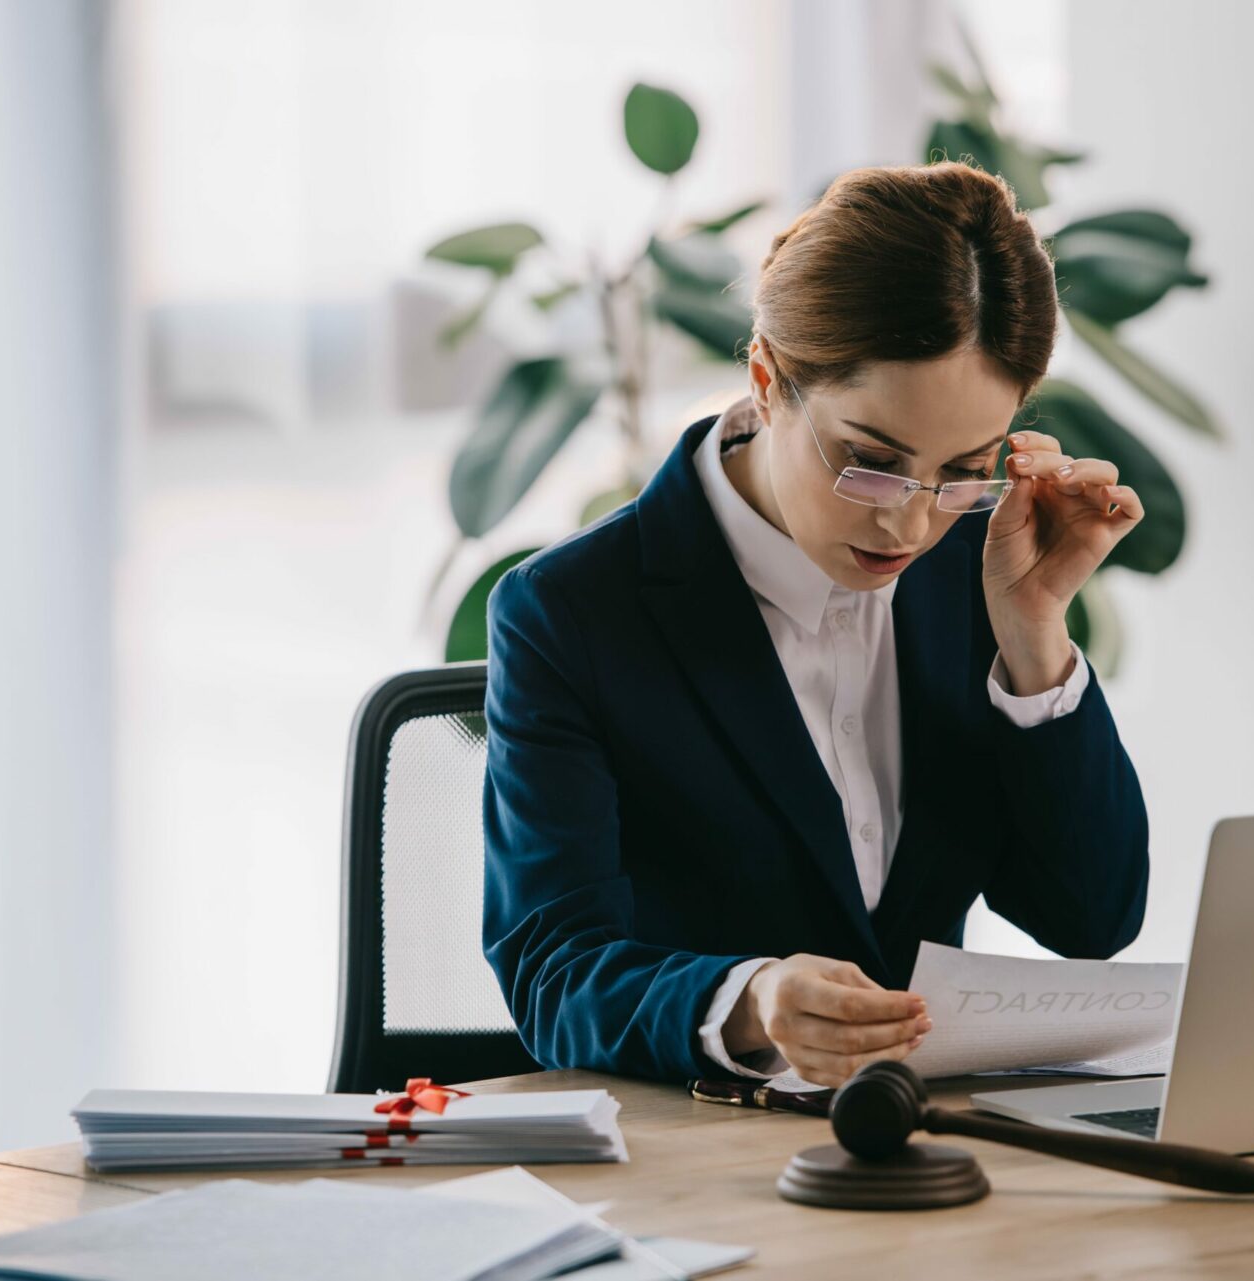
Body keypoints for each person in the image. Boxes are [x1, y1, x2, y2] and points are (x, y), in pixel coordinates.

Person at [481, 161, 1151, 1089]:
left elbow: (1093, 920)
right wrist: (749, 1000)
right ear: (766, 379)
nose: (908, 523)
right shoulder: (571, 613)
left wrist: (1035, 632)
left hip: (931, 1150)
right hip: (698, 1168)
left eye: (961, 468)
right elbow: (555, 972)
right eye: (870, 462)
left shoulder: (977, 567)